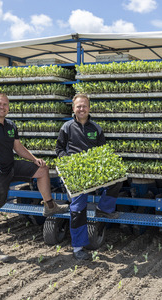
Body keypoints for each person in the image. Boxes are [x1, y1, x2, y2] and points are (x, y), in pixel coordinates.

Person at [0, 93, 68, 262]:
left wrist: (34, 159)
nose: (2, 107)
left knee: (42, 169)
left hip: (11, 166)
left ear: (8, 107)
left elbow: (18, 147)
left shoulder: (10, 125)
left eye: (5, 104)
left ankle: (50, 205)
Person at [56, 93, 122, 260]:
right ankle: (78, 248)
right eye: (78, 106)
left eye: (84, 106)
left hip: (93, 169)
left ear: (89, 108)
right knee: (77, 208)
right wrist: (69, 162)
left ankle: (103, 209)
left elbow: (103, 151)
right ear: (73, 108)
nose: (81, 109)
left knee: (118, 179)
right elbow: (59, 149)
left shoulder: (96, 128)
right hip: (75, 171)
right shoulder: (67, 127)